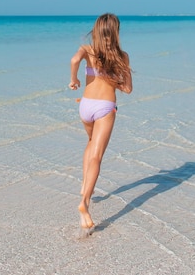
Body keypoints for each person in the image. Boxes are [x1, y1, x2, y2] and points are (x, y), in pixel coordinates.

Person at [69, 13, 132, 234]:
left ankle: (83, 186)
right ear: (116, 31)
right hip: (105, 108)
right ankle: (84, 202)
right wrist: (112, 79)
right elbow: (127, 89)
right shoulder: (122, 56)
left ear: (96, 30)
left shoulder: (87, 50)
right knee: (97, 155)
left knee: (89, 141)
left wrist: (74, 80)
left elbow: (74, 60)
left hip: (85, 106)